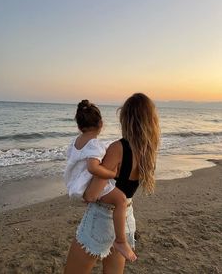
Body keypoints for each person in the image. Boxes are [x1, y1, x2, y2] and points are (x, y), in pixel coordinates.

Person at [64, 93, 160, 274]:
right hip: (125, 219)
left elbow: (92, 194)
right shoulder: (148, 150)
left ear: (125, 117)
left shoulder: (118, 148)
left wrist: (81, 192)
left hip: (102, 218)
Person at [63, 99, 137, 261]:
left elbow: (76, 162)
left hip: (77, 184)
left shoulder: (75, 142)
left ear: (78, 125)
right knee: (121, 201)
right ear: (101, 124)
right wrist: (111, 174)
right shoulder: (95, 144)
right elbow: (93, 168)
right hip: (90, 185)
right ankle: (120, 240)